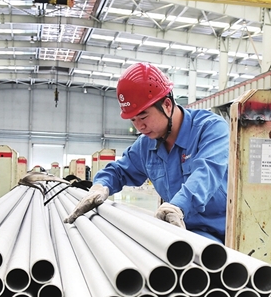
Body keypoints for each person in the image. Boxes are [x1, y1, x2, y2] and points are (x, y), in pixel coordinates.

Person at [64, 62, 229, 243]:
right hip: (180, 232)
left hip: (222, 236)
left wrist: (177, 206)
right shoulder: (146, 145)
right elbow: (118, 171)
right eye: (133, 120)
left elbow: (206, 173)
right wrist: (100, 186)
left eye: (143, 117)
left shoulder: (210, 129)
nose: (139, 126)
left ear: (167, 105)